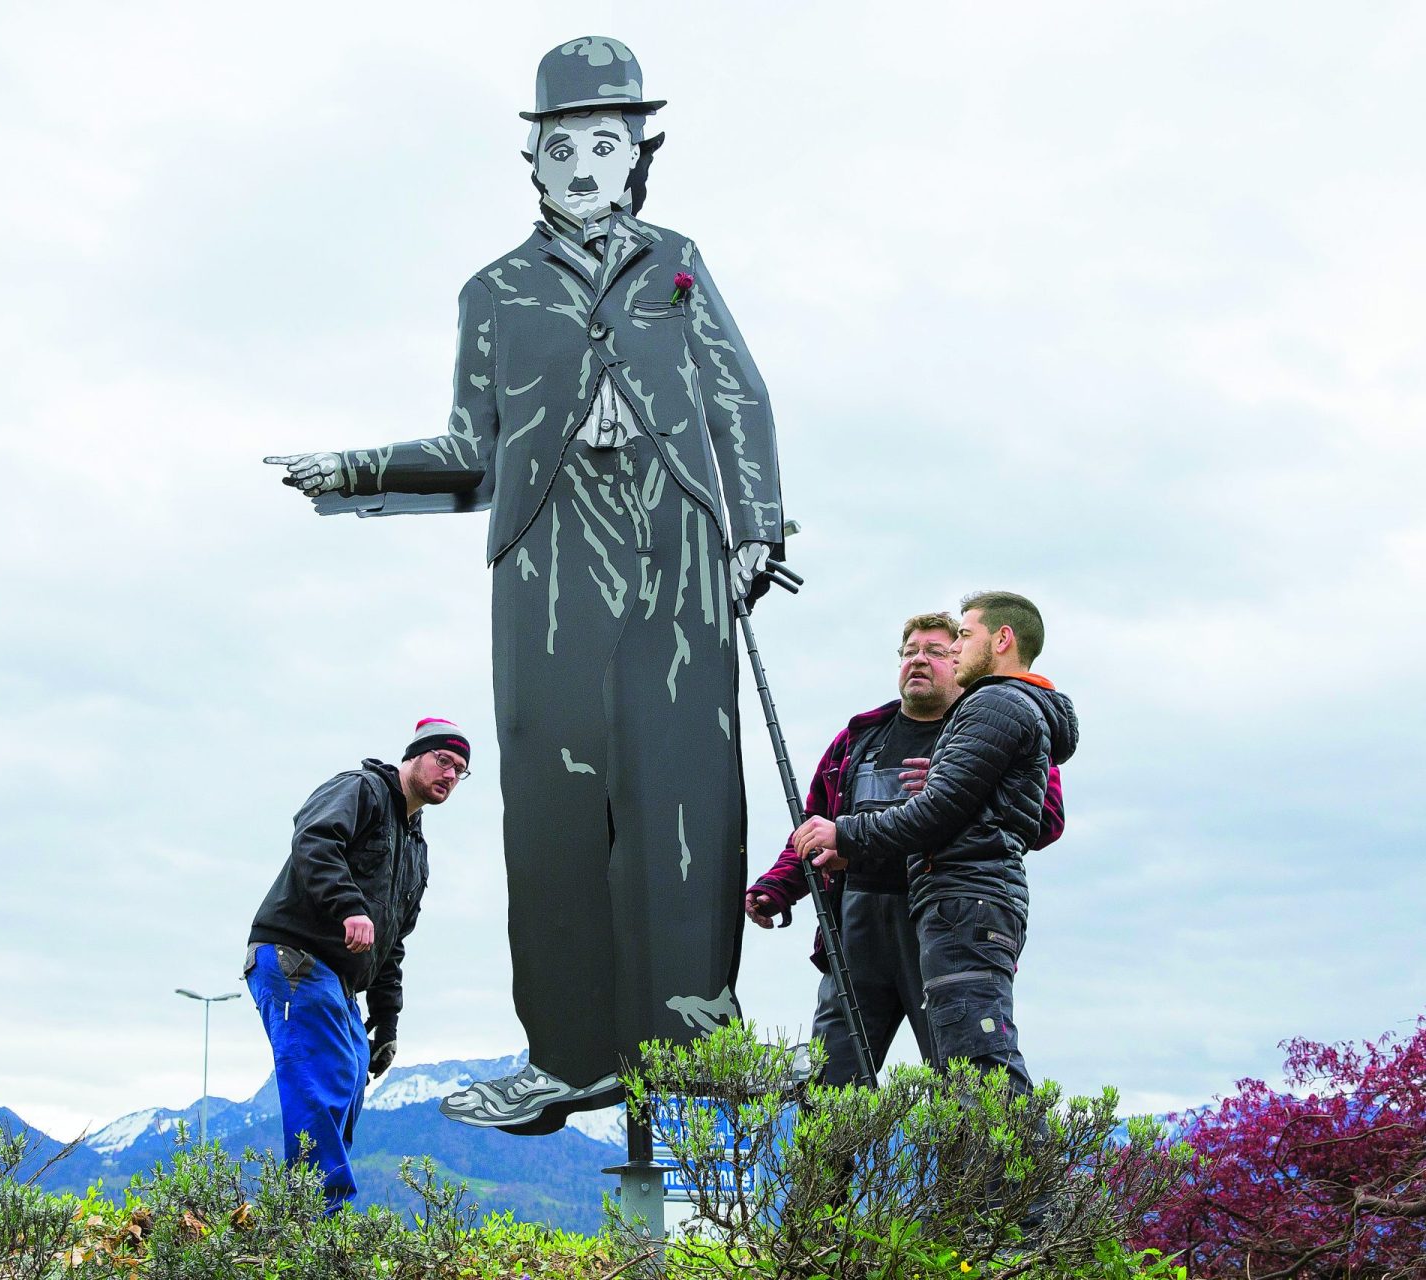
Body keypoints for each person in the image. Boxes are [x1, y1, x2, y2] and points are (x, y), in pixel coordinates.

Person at [265, 36, 787, 1135]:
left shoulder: (679, 264)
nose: (587, 162)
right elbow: (470, 449)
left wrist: (757, 523)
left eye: (608, 141)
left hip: (676, 533)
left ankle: (699, 1033)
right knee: (553, 800)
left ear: (638, 152)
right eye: (565, 145)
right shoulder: (493, 291)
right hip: (548, 552)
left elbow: (738, 395)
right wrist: (357, 471)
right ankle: (568, 1055)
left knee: (688, 779)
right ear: (536, 161)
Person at [746, 611, 1065, 1085]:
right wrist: (777, 886)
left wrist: (957, 788)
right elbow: (815, 824)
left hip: (938, 919)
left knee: (960, 1072)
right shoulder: (858, 739)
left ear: (958, 660)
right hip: (855, 922)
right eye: (910, 652)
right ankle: (830, 1163)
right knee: (832, 1079)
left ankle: (973, 1161)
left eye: (935, 652)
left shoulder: (988, 728)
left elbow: (1046, 820)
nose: (919, 661)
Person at [243, 717, 467, 1207]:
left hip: (337, 979)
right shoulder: (362, 789)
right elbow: (314, 838)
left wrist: (386, 1023)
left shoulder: (415, 851)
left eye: (460, 771)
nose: (450, 774)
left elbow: (393, 944)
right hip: (294, 956)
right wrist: (349, 906)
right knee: (327, 1079)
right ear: (414, 757)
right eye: (443, 760)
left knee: (351, 1077)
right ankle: (315, 1220)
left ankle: (311, 1213)